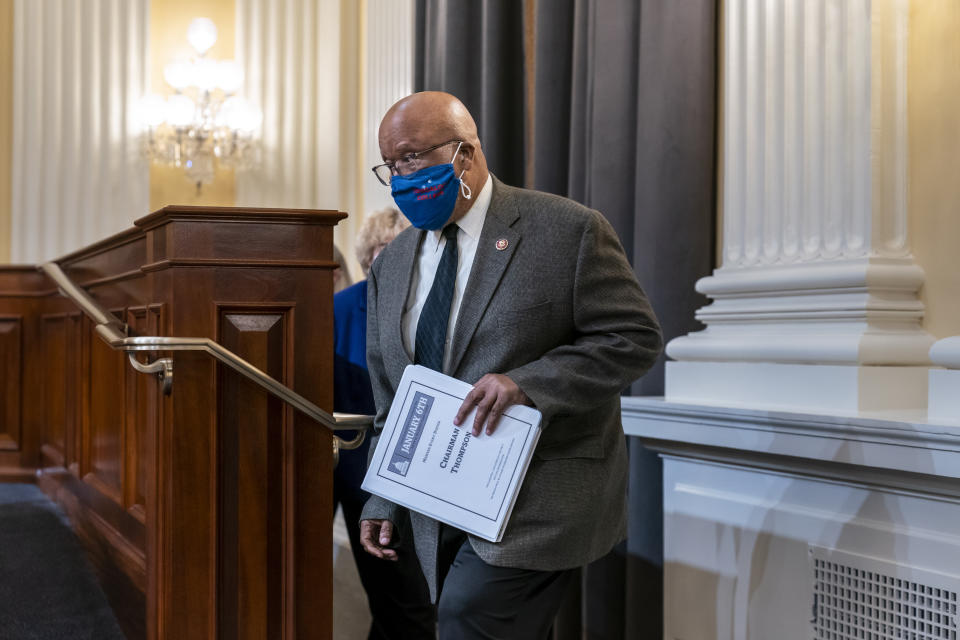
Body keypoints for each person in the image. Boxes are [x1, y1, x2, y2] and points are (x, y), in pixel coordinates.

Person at [358, 91, 663, 639]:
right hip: (436, 496)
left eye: (412, 157)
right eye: (391, 165)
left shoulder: (566, 230)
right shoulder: (394, 263)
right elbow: (391, 394)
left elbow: (633, 337)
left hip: (535, 497)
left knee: (467, 623)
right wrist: (384, 492)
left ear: (465, 154)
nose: (401, 177)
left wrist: (529, 384)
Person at [332, 208, 435, 640]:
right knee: (398, 602)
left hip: (431, 467)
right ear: (367, 258)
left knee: (420, 606)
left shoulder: (433, 305)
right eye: (385, 253)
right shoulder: (342, 308)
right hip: (363, 473)